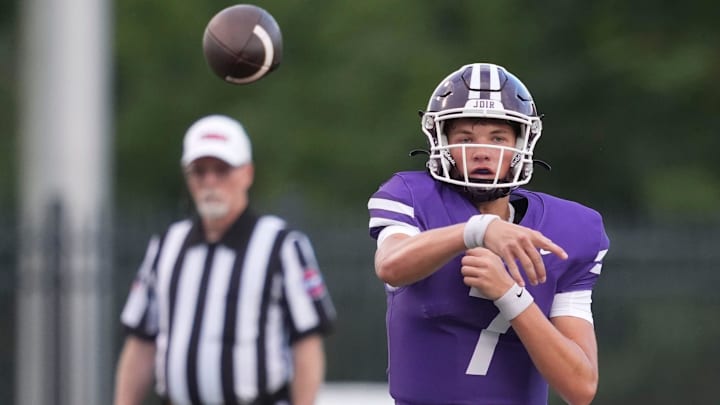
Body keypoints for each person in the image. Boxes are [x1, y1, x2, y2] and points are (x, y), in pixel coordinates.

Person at [367, 63, 610, 405]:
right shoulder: (410, 196)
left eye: (498, 138)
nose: (481, 151)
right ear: (443, 143)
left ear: (521, 144)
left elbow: (580, 387)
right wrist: (477, 230)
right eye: (466, 138)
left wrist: (510, 294)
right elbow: (390, 265)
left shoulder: (571, 229)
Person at [114, 114, 336, 405]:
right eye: (199, 171)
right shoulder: (167, 244)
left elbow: (306, 342)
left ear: (246, 173)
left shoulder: (281, 245)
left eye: (222, 170)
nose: (210, 181)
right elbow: (141, 340)